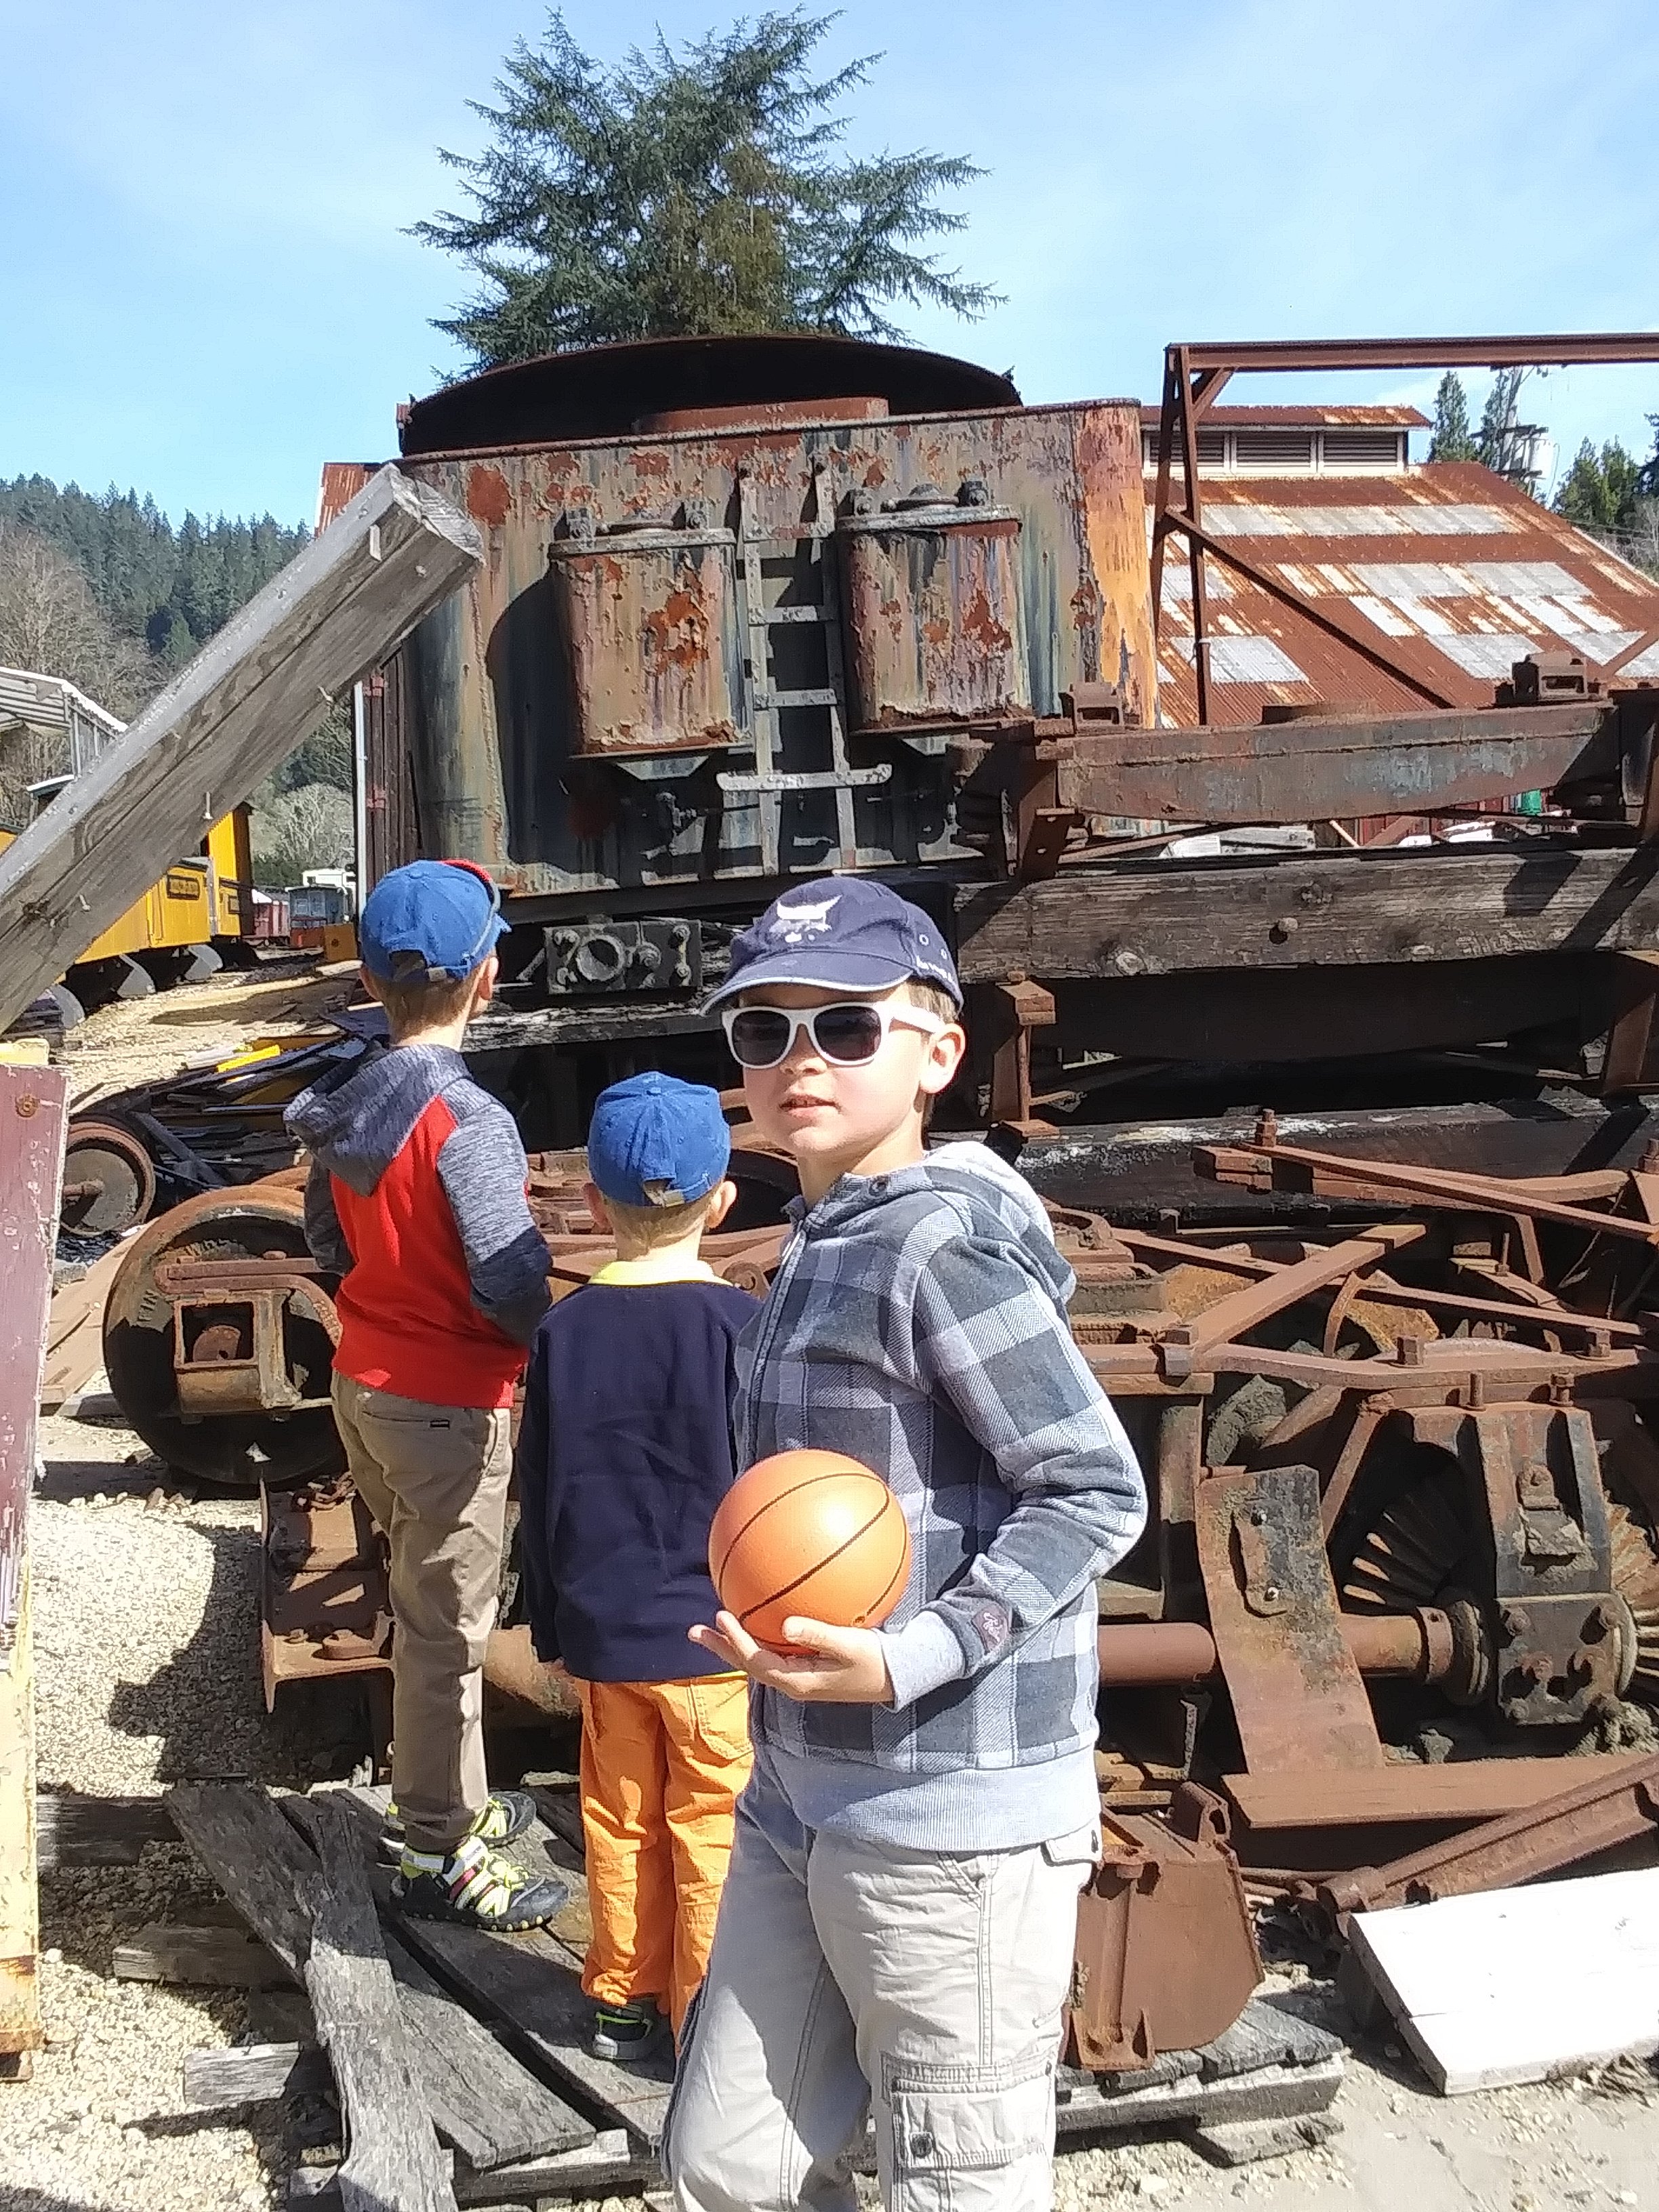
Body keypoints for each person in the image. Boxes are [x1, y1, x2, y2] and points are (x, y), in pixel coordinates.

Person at [664, 878, 1147, 2212]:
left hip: (953, 1825)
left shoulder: (940, 1244)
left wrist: (911, 1655)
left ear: (937, 1054)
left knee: (957, 2185)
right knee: (726, 2164)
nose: (799, 1059)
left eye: (846, 1027)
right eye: (763, 1031)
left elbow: (1093, 1490)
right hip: (798, 1791)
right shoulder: (818, 1237)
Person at [285, 858, 565, 1929]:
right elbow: (508, 1274)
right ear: (487, 978)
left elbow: (325, 1239)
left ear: (369, 978)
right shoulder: (469, 1119)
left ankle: (451, 1794)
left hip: (366, 1386)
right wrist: (547, 1344)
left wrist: (393, 1291)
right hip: (450, 1405)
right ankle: (438, 1852)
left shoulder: (353, 1106)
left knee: (422, 1605)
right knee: (449, 1635)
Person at [514, 1072, 759, 2060]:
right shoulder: (742, 1329)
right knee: (712, 1824)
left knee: (618, 1818)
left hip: (606, 1634)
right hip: (718, 1640)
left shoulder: (562, 1332)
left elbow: (541, 1490)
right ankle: (704, 2017)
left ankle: (622, 2000)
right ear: (724, 1200)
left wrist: (551, 1625)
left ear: (590, 1203)